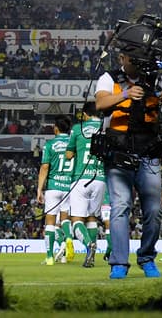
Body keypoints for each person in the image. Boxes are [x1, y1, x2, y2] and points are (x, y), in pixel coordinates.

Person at [95, 49, 162, 280]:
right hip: (117, 152)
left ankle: (147, 257)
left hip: (149, 151)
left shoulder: (156, 78)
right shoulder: (109, 78)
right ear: (122, 59)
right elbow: (100, 103)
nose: (139, 64)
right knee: (120, 208)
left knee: (154, 210)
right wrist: (126, 94)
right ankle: (119, 263)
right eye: (133, 59)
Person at [65, 102, 105, 268]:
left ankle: (89, 245)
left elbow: (68, 155)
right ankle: (92, 256)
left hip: (81, 178)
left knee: (76, 221)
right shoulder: (105, 127)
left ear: (86, 115)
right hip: (100, 178)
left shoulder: (77, 128)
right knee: (92, 218)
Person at [37, 116, 76, 265]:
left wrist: (39, 189)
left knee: (50, 223)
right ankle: (68, 238)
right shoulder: (73, 144)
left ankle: (49, 257)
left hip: (53, 187)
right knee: (65, 218)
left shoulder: (50, 144)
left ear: (56, 128)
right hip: (68, 187)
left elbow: (45, 167)